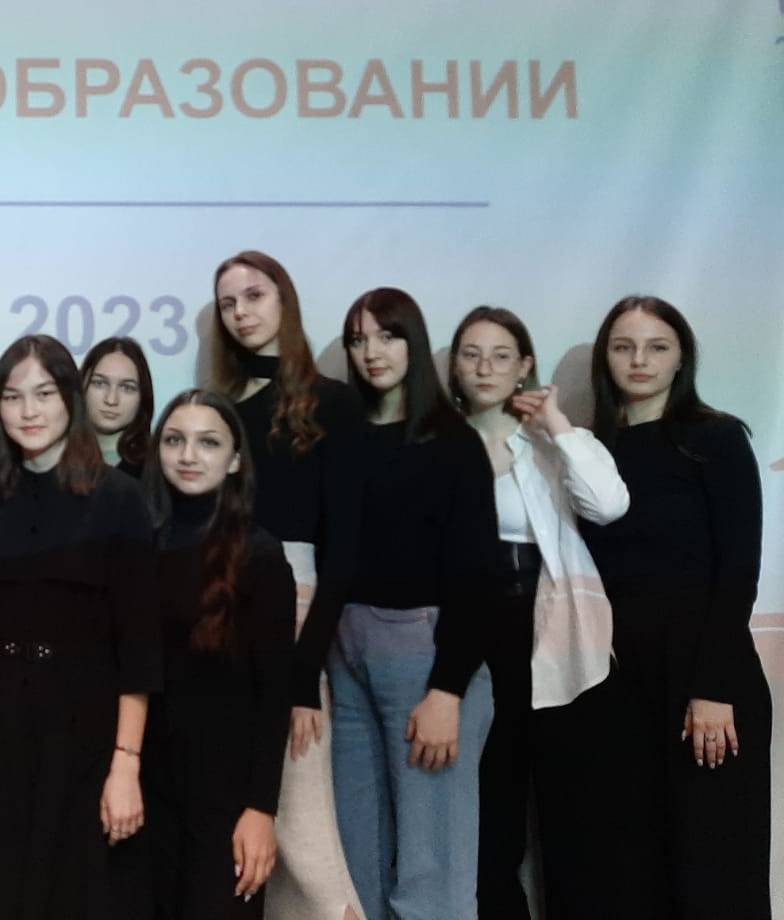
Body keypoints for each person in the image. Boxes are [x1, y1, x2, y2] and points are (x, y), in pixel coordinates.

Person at [581, 296, 771, 919]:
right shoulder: (591, 451)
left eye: (656, 347)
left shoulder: (716, 439)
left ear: (681, 358)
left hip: (705, 677)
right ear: (605, 357)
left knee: (715, 870)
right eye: (624, 347)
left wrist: (712, 687)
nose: (639, 360)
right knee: (631, 871)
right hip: (615, 685)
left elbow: (738, 571)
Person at [0, 335, 161, 920]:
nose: (29, 411)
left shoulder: (120, 498)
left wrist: (126, 763)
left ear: (70, 399)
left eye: (44, 394)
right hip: (3, 733)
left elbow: (139, 647)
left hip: (86, 734)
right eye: (12, 396)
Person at [447, 305, 631, 919]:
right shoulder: (438, 444)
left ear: (524, 365)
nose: (486, 368)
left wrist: (555, 423)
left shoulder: (550, 441)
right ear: (454, 366)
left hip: (554, 630)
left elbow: (608, 505)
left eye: (502, 355)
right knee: (489, 811)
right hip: (472, 632)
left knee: (573, 812)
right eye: (472, 354)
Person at [331, 288, 501, 920]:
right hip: (344, 656)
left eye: (387, 335)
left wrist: (447, 689)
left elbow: (477, 573)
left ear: (415, 343)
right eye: (358, 339)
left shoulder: (453, 442)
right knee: (356, 861)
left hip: (426, 657)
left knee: (433, 867)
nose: (371, 352)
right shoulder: (342, 437)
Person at [207, 251, 366, 920]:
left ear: (284, 300)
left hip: (298, 619)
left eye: (254, 295)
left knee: (302, 823)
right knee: (245, 828)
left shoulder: (334, 403)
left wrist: (305, 675)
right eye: (228, 303)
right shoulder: (218, 411)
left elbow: (346, 550)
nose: (241, 312)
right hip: (222, 614)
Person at [142, 389, 295, 919]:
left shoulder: (260, 554)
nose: (188, 455)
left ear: (234, 460)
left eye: (208, 443)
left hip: (228, 797)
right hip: (150, 790)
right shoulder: (139, 545)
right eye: (174, 440)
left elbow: (276, 695)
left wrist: (260, 809)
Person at [80, 336, 155, 478]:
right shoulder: (54, 458)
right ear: (82, 386)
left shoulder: (158, 465)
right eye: (100, 384)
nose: (111, 400)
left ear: (143, 396)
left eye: (127, 388)